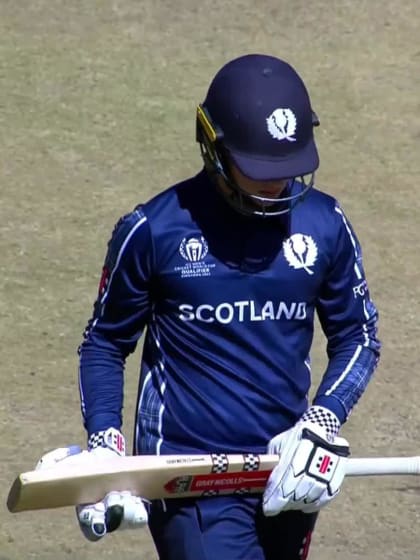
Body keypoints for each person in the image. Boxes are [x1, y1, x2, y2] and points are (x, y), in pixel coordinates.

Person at [37, 54, 381, 559]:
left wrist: (323, 422)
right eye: (260, 169)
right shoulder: (153, 231)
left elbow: (359, 337)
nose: (277, 183)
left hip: (289, 470)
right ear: (213, 147)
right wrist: (106, 443)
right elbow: (106, 343)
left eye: (288, 169)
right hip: (190, 480)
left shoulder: (326, 225)